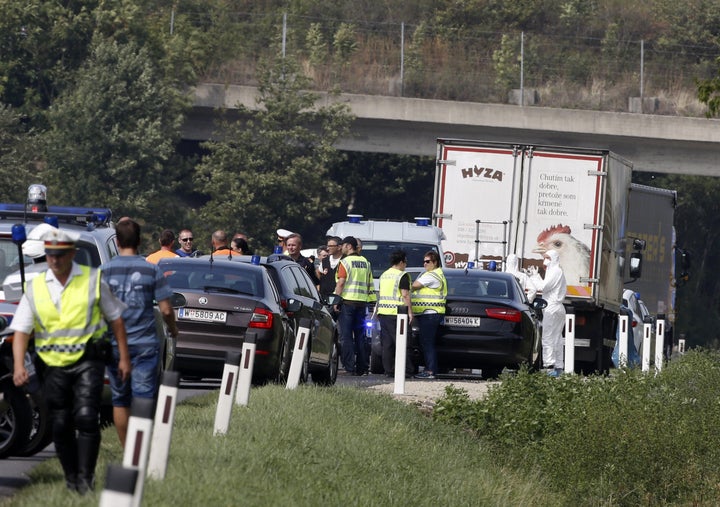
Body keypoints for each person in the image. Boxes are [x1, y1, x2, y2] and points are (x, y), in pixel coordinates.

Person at [11, 228, 131, 494]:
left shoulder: (92, 279)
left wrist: (123, 357)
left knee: (87, 417)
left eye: (60, 255)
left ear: (72, 254)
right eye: (51, 255)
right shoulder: (36, 287)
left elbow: (116, 319)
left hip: (89, 359)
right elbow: (21, 331)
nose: (55, 260)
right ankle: (72, 477)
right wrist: (19, 365)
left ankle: (86, 479)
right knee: (61, 422)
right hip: (53, 364)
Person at [101, 219, 179, 448]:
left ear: (116, 241)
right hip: (144, 343)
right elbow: (165, 310)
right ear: (140, 240)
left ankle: (127, 449)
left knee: (120, 399)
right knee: (143, 398)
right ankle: (140, 447)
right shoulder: (151, 269)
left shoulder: (104, 271)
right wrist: (173, 330)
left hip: (114, 344)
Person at [333, 236, 376, 375]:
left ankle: (349, 367)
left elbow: (341, 283)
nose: (341, 248)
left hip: (347, 303)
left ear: (348, 246)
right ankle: (362, 367)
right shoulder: (366, 262)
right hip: (361, 303)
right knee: (360, 336)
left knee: (346, 337)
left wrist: (336, 300)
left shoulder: (345, 262)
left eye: (343, 245)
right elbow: (370, 283)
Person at [377, 250, 414, 377]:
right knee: (403, 342)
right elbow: (405, 295)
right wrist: (410, 312)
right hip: (397, 313)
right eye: (405, 262)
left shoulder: (384, 275)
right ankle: (407, 370)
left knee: (387, 344)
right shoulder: (402, 275)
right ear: (401, 262)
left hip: (383, 312)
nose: (406, 265)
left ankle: (389, 370)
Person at [411, 250, 447, 379]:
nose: (424, 264)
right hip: (431, 314)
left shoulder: (431, 276)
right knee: (427, 343)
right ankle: (430, 369)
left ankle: (430, 371)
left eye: (428, 261)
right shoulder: (437, 274)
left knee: (427, 343)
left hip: (430, 314)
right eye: (424, 261)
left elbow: (413, 286)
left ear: (435, 262)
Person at [533, 250, 567, 377]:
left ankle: (549, 366)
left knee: (547, 337)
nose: (545, 261)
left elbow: (544, 287)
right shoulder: (554, 271)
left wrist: (535, 277)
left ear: (553, 258)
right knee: (557, 338)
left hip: (552, 307)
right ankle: (558, 366)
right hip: (557, 307)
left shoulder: (555, 271)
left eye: (547, 258)